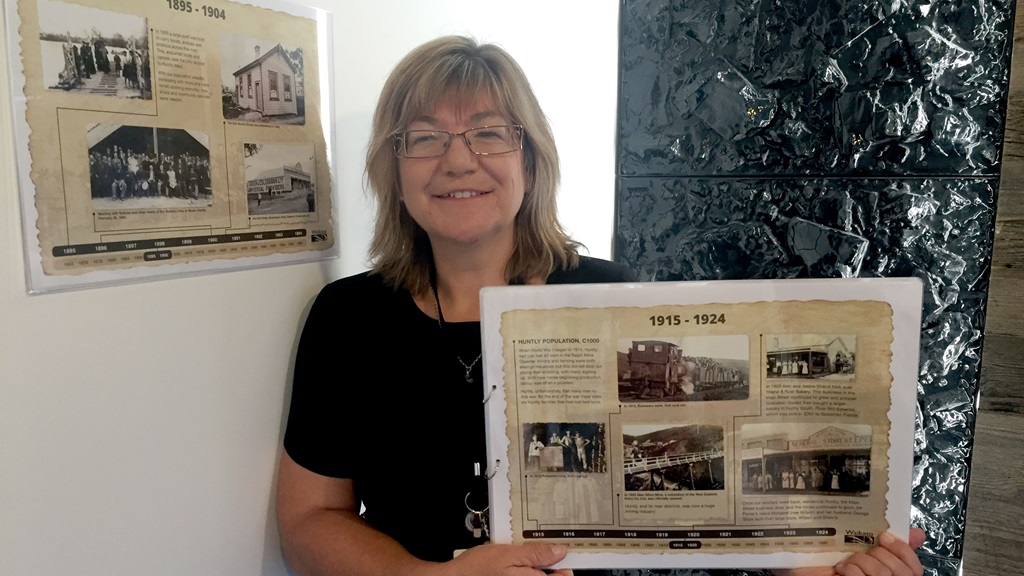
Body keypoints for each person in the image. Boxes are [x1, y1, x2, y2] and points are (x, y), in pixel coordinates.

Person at [275, 36, 925, 576]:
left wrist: (828, 565)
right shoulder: (348, 316)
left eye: (488, 133)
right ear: (395, 166)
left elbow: (713, 476)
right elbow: (309, 520)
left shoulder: (606, 297)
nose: (458, 160)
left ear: (530, 159)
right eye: (423, 137)